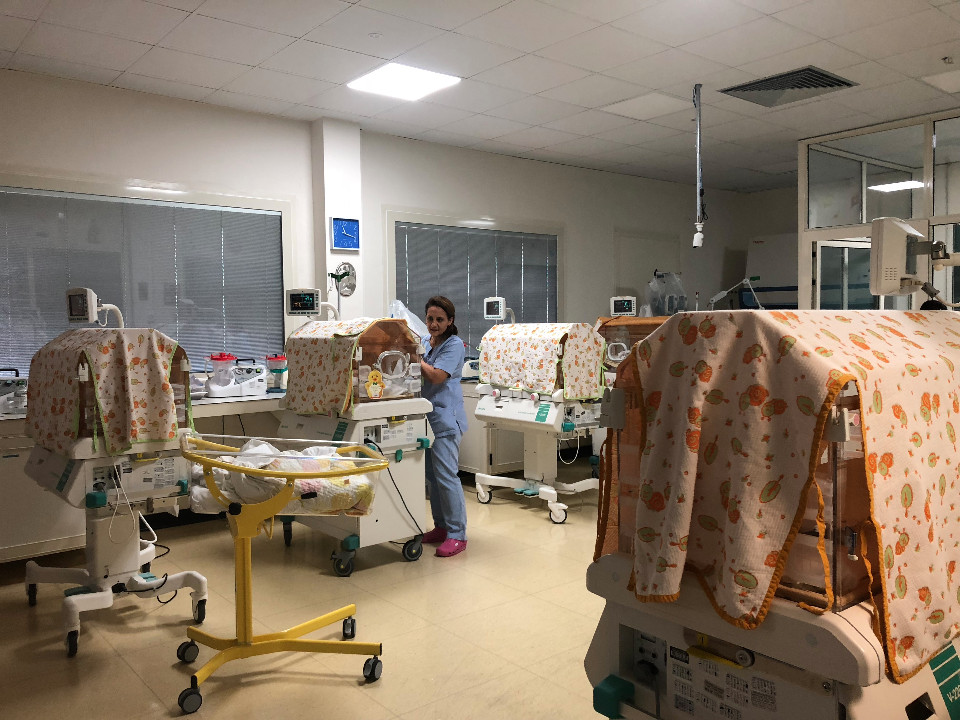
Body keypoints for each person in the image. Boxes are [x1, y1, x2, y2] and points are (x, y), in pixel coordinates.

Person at [419, 296, 468, 557]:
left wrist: (415, 359)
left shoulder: (454, 345)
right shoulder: (425, 343)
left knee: (447, 477)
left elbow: (437, 376)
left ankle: (457, 534)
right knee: (433, 478)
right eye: (430, 318)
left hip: (445, 419)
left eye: (439, 319)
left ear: (450, 321)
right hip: (426, 419)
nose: (434, 324)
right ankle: (441, 526)